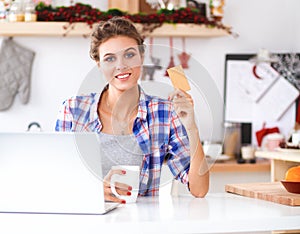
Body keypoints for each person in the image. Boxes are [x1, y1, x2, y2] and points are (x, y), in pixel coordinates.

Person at [55, 16, 209, 203]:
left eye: (129, 55)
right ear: (99, 65)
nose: (121, 65)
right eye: (110, 58)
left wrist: (191, 127)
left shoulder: (164, 113)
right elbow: (58, 180)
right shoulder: (73, 110)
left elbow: (199, 190)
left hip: (141, 226)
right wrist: (93, 191)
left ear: (141, 57)